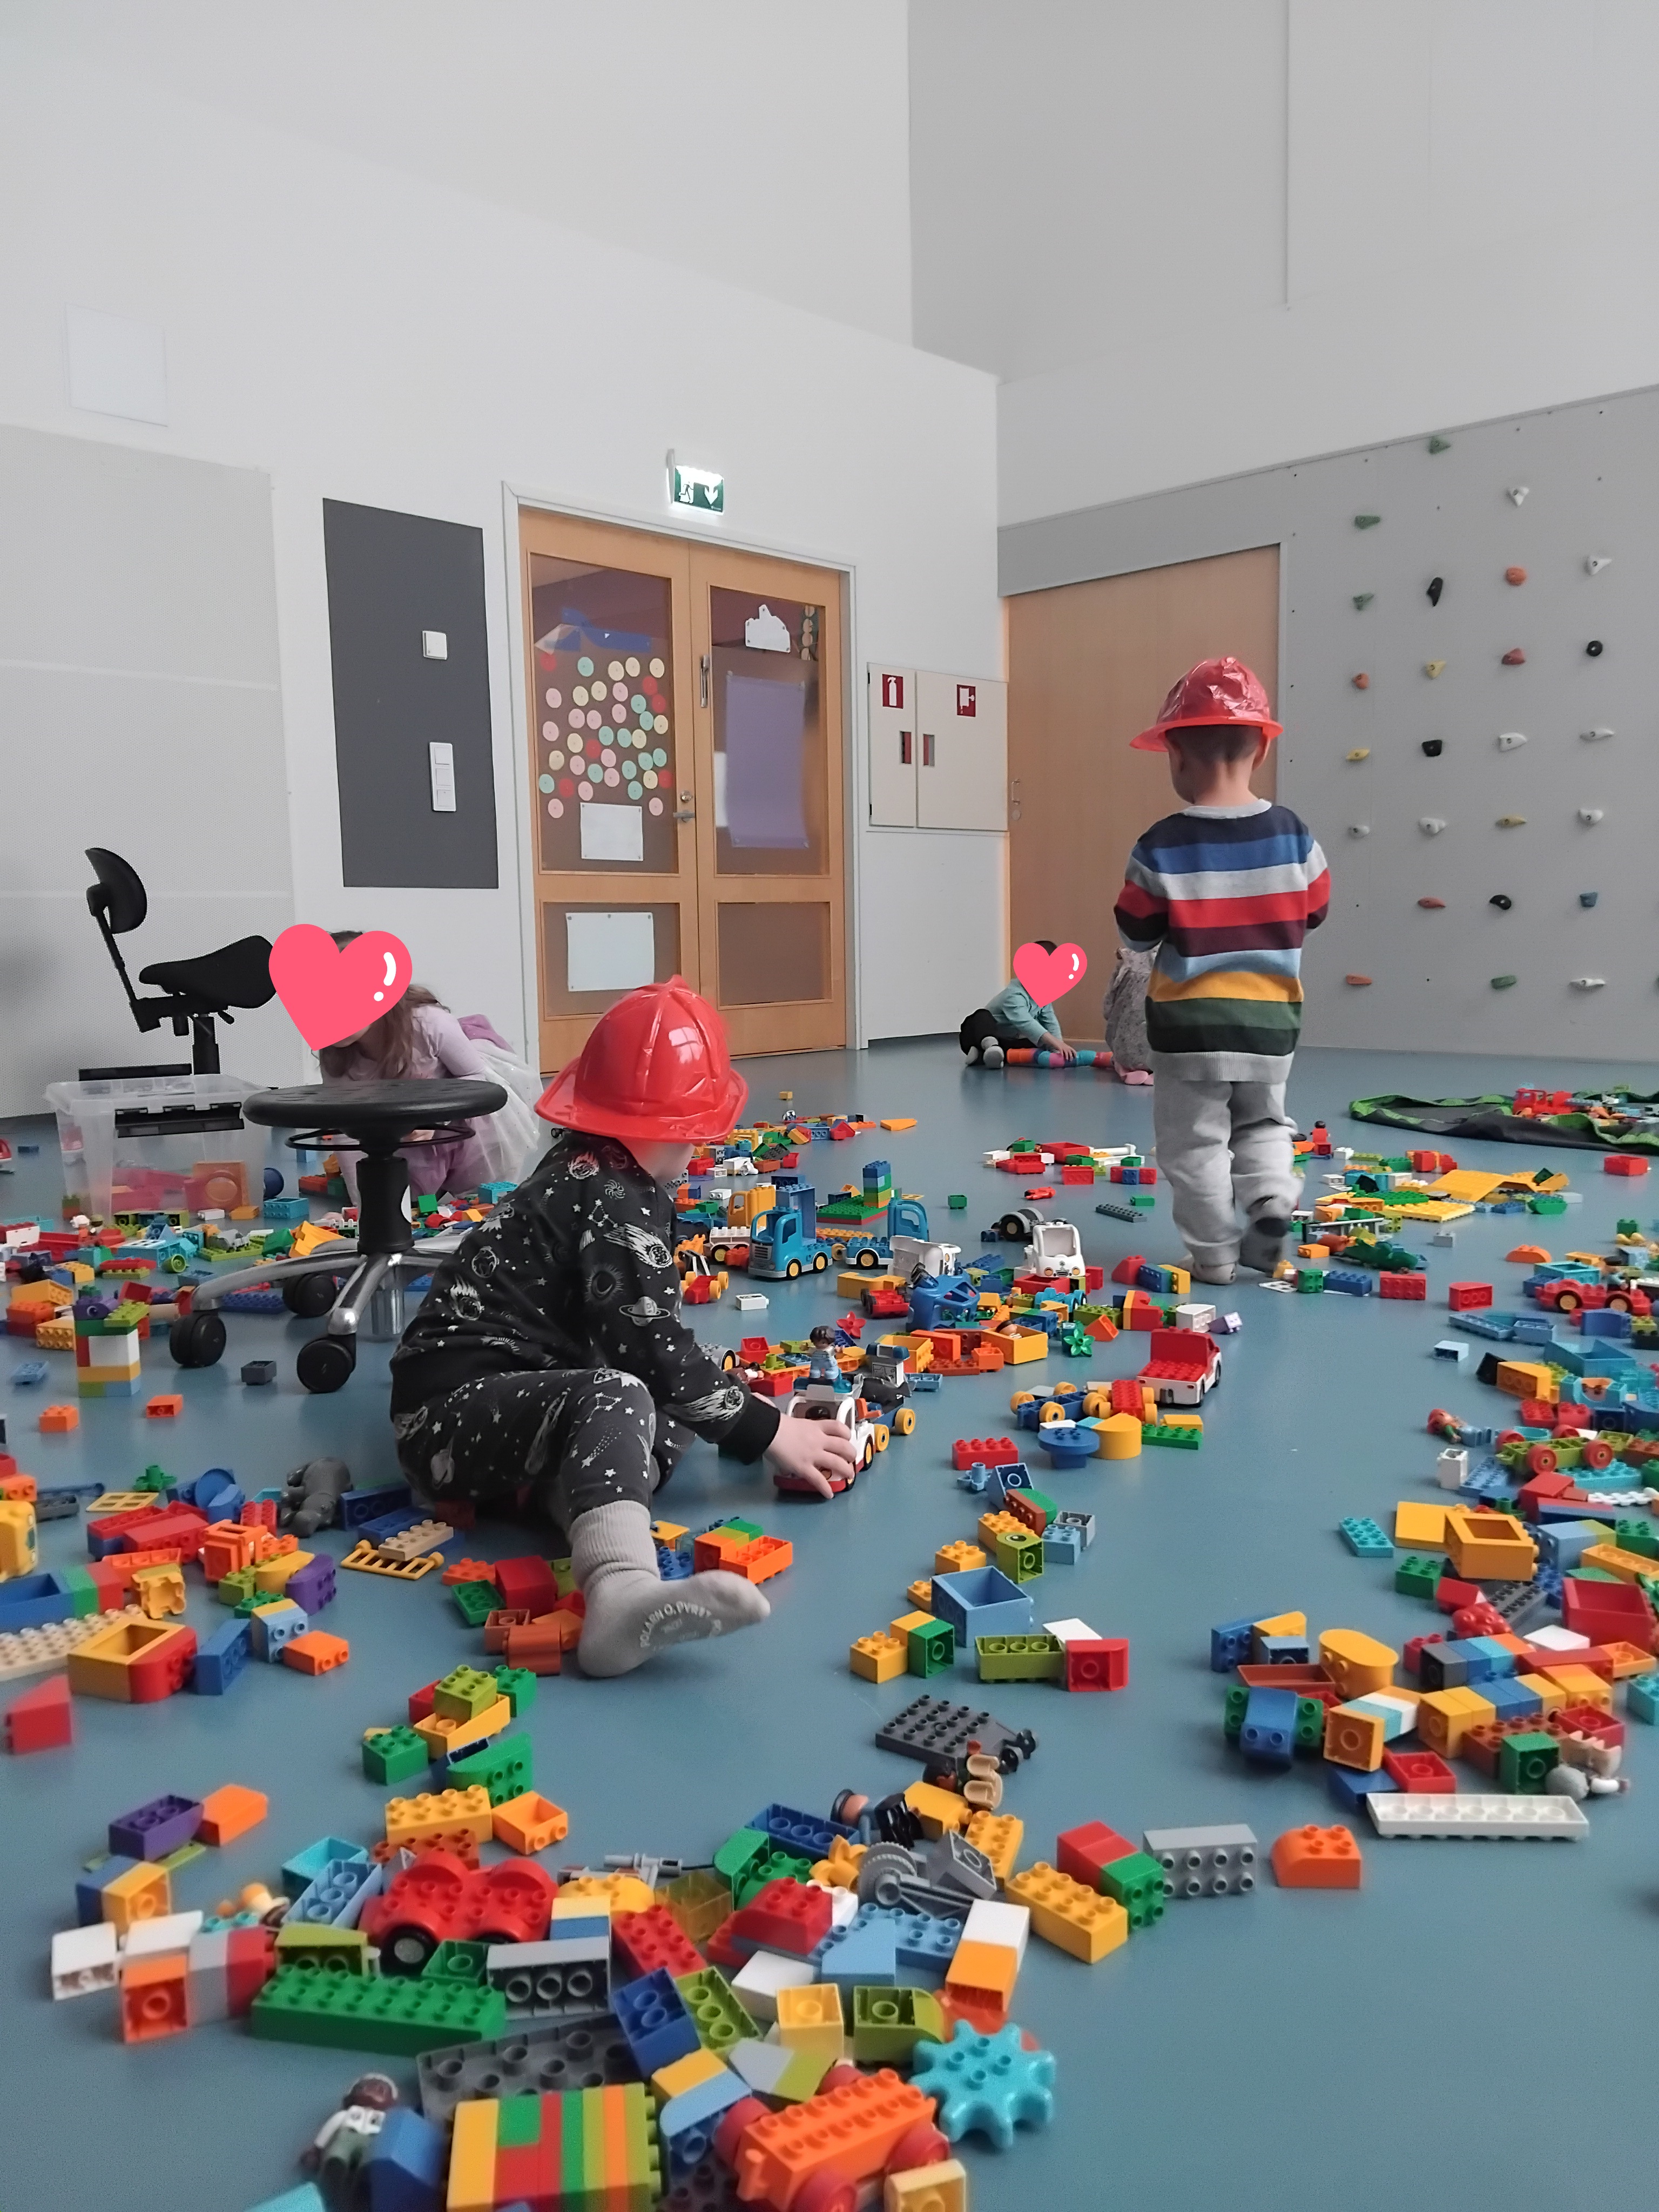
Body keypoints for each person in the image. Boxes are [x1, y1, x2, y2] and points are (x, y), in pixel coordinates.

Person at [388, 978, 855, 1677]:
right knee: (633, 1392)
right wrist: (769, 1431)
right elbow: (653, 1354)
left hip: (506, 1400)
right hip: (446, 1413)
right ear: (686, 1125)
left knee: (671, 1397)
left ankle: (575, 1505)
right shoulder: (616, 1199)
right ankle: (620, 1594)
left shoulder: (588, 1164)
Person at [1112, 657, 1328, 1285]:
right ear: (1261, 749)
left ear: (1177, 756)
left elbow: (1136, 934)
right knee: (1264, 1122)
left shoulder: (1160, 844)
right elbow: (1316, 910)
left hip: (1190, 1030)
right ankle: (1272, 1199)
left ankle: (1214, 1256)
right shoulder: (1294, 836)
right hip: (1270, 1023)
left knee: (1195, 1141)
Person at [319, 934, 543, 1197]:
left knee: (480, 1199)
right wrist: (362, 1204)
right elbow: (346, 1128)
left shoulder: (427, 1023)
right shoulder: (336, 1054)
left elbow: (476, 1077)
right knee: (405, 1199)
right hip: (405, 1131)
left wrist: (434, 1120)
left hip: (470, 1119)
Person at [960, 943, 1077, 1067]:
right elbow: (1025, 1023)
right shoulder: (1013, 994)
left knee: (1038, 1044)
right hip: (977, 1037)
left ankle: (983, 1056)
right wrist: (1056, 1043)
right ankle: (990, 1047)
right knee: (981, 1015)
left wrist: (1058, 1049)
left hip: (1004, 1041)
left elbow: (1050, 1021)